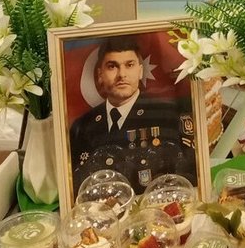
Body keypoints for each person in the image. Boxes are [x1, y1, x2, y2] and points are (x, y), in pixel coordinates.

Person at [69, 36, 197, 193]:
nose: (122, 74)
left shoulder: (166, 115)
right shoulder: (82, 126)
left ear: (140, 71)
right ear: (100, 74)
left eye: (129, 65)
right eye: (112, 66)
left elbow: (187, 177)